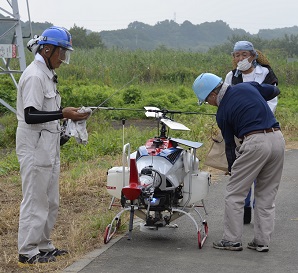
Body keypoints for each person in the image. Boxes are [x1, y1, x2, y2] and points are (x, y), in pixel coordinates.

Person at [16, 26, 90, 266]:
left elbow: (46, 113)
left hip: (48, 145)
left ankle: (43, 245)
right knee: (35, 200)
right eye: (61, 53)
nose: (63, 59)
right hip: (34, 146)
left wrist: (67, 119)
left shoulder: (47, 73)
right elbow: (30, 115)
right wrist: (62, 113)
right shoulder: (35, 76)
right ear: (47, 49)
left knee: (50, 200)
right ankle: (27, 251)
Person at [192, 73, 285, 252]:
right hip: (277, 139)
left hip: (255, 142)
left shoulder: (222, 113)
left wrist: (232, 168)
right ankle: (261, 241)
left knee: (235, 192)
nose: (208, 104)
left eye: (205, 100)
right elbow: (274, 90)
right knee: (266, 194)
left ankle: (232, 240)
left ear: (213, 94)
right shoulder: (247, 86)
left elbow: (229, 145)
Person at [224, 41, 279, 224]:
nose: (241, 59)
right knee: (243, 171)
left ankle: (259, 215)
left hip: (261, 126)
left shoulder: (265, 74)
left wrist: (255, 118)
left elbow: (271, 100)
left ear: (253, 56)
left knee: (261, 173)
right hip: (240, 130)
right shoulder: (231, 77)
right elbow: (225, 102)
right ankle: (245, 210)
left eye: (244, 55)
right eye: (237, 55)